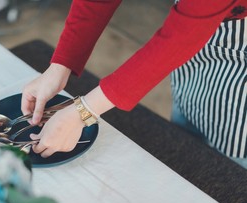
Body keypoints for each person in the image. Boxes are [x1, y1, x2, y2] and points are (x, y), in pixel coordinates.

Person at [21, 0, 247, 168]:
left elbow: (177, 39)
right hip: (202, 31)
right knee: (187, 133)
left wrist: (83, 112)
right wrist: (60, 65)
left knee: (231, 162)